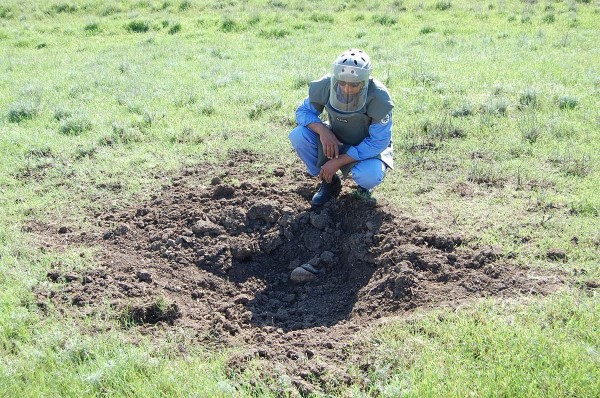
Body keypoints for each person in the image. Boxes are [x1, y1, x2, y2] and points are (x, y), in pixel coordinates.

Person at [289, 48, 395, 206]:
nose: (346, 89)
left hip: (366, 147)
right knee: (299, 135)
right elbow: (302, 111)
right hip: (336, 140)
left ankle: (363, 189)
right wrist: (322, 130)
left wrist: (338, 162)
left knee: (369, 175)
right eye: (342, 83)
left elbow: (378, 142)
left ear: (365, 81)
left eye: (354, 85)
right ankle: (329, 182)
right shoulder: (327, 84)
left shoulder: (379, 96)